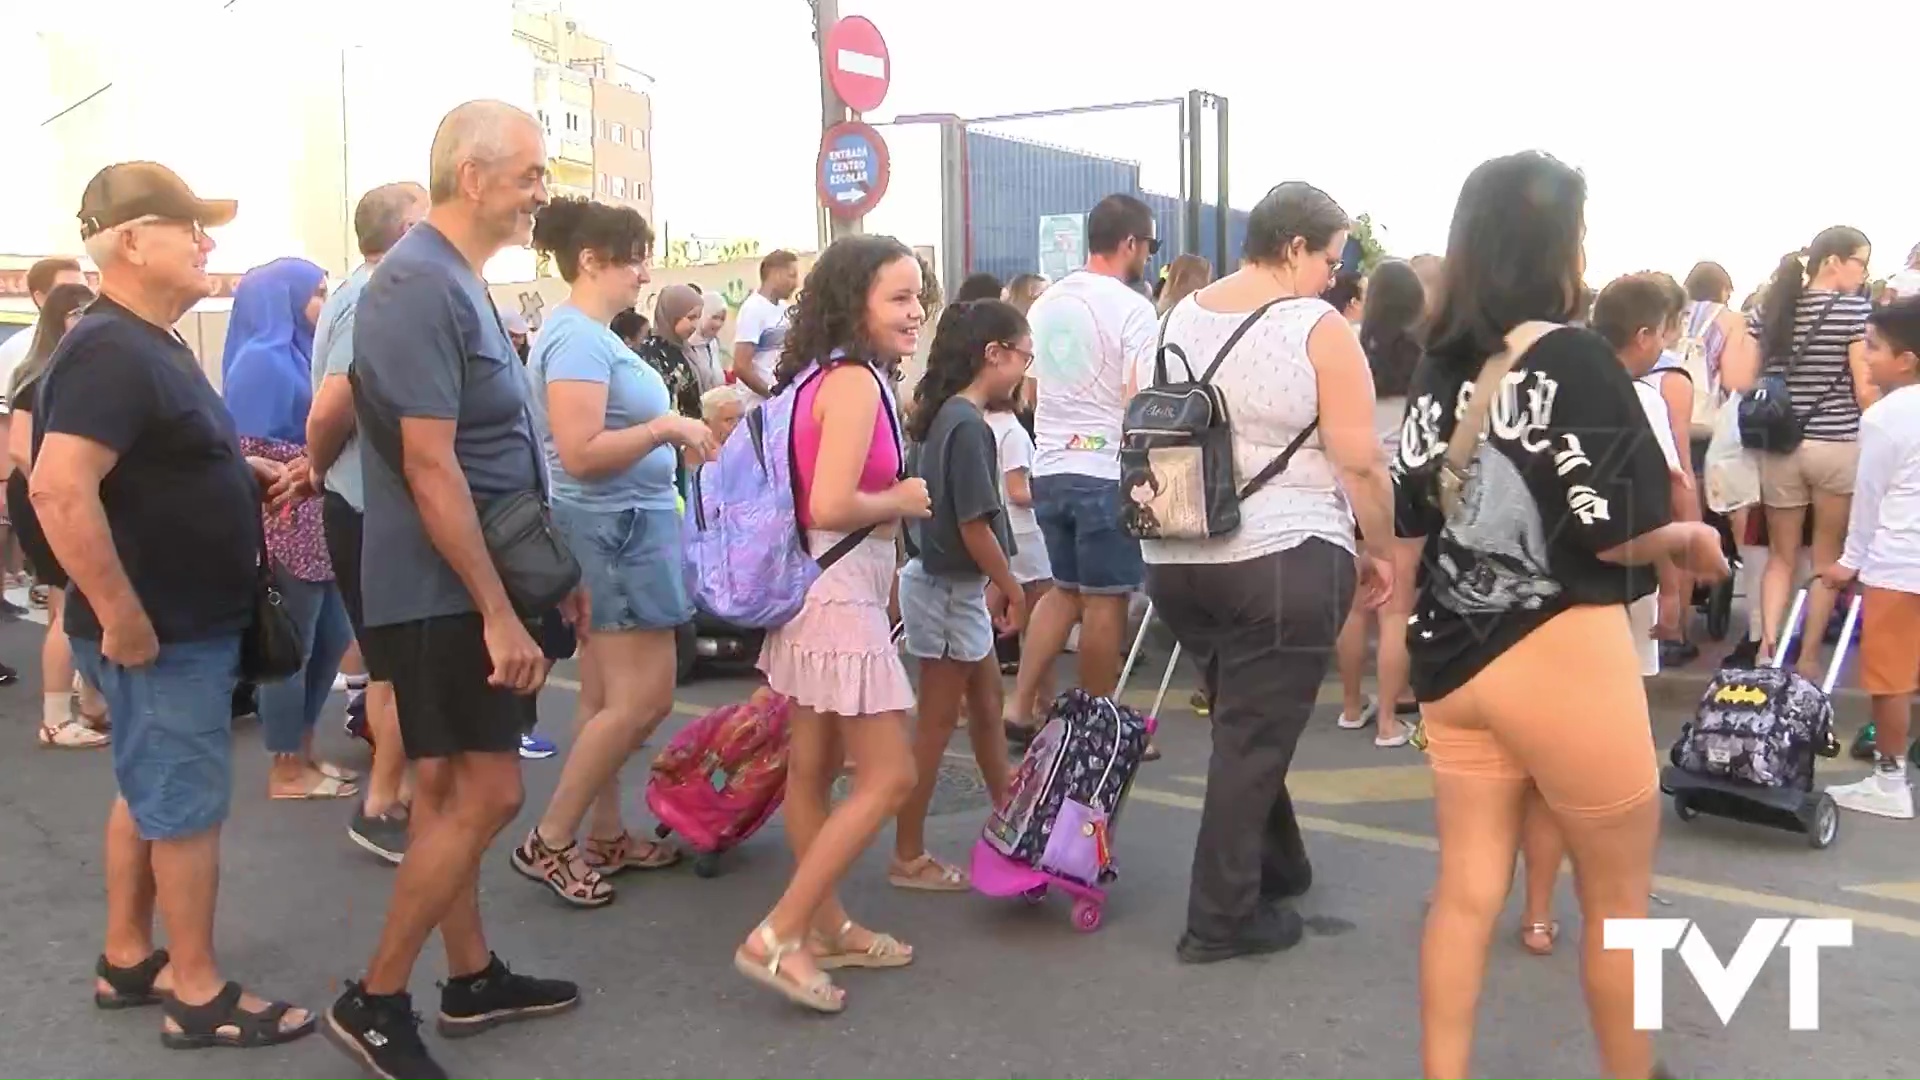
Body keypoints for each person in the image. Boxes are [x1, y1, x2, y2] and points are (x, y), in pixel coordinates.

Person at [1395, 152, 1726, 1080]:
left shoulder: (1437, 366)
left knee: (1464, 894)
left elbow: (1411, 509)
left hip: (1455, 660)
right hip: (1562, 656)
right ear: (1557, 247)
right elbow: (1616, 531)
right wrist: (1686, 541)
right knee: (1619, 900)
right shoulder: (1575, 357)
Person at [35, 161, 318, 1048]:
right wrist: (122, 614)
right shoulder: (112, 347)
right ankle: (195, 991)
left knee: (148, 793)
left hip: (170, 626)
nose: (207, 242)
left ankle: (128, 958)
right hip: (160, 633)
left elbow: (152, 460)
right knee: (186, 808)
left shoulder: (144, 341)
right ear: (128, 241)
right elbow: (58, 490)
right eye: (187, 225)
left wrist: (242, 473)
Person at [326, 101, 581, 1080]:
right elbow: (432, 468)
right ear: (472, 178)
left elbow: (497, 454)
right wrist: (498, 610)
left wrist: (545, 584)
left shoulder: (456, 282)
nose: (540, 193)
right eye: (529, 173)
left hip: (461, 584)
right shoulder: (414, 285)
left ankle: (469, 976)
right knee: (487, 789)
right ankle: (376, 996)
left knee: (445, 789)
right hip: (440, 591)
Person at [1136, 182, 1395, 963]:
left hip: (1177, 555)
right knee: (1252, 733)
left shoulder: (1178, 315)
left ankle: (1279, 865)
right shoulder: (1317, 328)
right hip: (1281, 556)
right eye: (1328, 258)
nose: (1332, 276)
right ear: (1293, 249)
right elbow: (1360, 459)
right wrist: (1378, 546)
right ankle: (1220, 919)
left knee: (1246, 717)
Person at [734, 235, 928, 1013]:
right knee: (890, 775)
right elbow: (833, 504)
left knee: (810, 771)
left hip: (816, 588)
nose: (916, 311)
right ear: (856, 304)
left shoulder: (825, 374)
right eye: (899, 298)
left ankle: (826, 925)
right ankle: (778, 935)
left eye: (919, 296)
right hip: (837, 590)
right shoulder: (852, 384)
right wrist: (905, 500)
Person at [515, 196, 716, 906]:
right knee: (642, 699)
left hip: (617, 526)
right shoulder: (577, 339)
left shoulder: (584, 334)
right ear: (591, 261)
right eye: (632, 258)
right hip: (618, 529)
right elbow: (581, 451)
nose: (643, 272)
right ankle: (553, 837)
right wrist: (668, 428)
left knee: (604, 697)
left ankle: (598, 832)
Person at [307, 180, 430, 862]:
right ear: (404, 232)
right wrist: (319, 468)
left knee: (398, 659)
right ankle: (383, 802)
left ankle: (397, 792)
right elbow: (331, 407)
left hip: (368, 501)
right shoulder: (371, 296)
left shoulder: (377, 290)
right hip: (364, 503)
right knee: (393, 662)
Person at [1007, 195, 1158, 746]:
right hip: (1102, 466)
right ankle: (1096, 726)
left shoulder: (1045, 304)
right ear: (1129, 244)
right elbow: (1138, 397)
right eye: (1149, 246)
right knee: (1105, 599)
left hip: (1049, 463)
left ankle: (1021, 704)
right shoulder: (1134, 308)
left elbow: (1029, 389)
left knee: (1062, 591)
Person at [892, 299, 1031, 891]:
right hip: (951, 586)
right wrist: (1012, 586)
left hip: (943, 582)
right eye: (1024, 356)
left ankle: (1012, 821)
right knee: (938, 723)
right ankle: (907, 855)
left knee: (986, 709)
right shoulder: (969, 424)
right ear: (993, 355)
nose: (1026, 370)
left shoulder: (938, 413)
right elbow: (975, 524)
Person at [222, 256, 362, 803]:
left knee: (330, 639)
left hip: (320, 511)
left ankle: (302, 748)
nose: (324, 303)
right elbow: (250, 450)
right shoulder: (262, 361)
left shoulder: (304, 353)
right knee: (291, 645)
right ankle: (284, 765)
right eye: (316, 292)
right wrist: (314, 463)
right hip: (288, 518)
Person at [1753, 228, 1876, 681]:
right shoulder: (1853, 310)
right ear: (1833, 262)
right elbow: (1864, 387)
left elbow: (1745, 374)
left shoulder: (1774, 306)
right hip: (1835, 444)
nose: (1864, 273)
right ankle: (1806, 658)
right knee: (1826, 558)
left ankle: (1768, 652)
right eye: (1861, 263)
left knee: (1781, 557)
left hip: (1780, 444)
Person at [1820, 296, 1920, 819]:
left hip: (1901, 561)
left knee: (1891, 678)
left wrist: (1848, 562)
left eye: (1875, 348)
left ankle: (1889, 780)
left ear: (1907, 360)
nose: (1866, 356)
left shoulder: (1885, 417)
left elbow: (1870, 498)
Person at [8, 281, 108, 748]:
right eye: (77, 314)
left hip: (63, 496)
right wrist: (60, 493)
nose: (86, 322)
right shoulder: (38, 377)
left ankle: (91, 704)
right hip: (45, 500)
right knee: (65, 606)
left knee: (86, 603)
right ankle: (54, 716)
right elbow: (22, 450)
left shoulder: (70, 372)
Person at [1334, 257, 1427, 743]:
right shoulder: (1424, 356)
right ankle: (1389, 720)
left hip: (1351, 483)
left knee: (1354, 605)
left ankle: (1351, 706)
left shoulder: (1347, 345)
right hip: (1405, 486)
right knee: (1396, 607)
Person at [1675, 261, 1766, 667]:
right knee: (1723, 511)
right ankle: (1718, 567)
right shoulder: (1730, 319)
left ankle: (1677, 608)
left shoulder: (1674, 313)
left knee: (1680, 511)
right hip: (1711, 428)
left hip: (1673, 420)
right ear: (1725, 289)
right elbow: (1735, 379)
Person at [0, 257, 86, 402]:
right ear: (40, 298)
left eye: (82, 289)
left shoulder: (98, 342)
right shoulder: (17, 351)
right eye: (66, 290)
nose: (78, 299)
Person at [730, 249, 800, 399]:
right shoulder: (753, 309)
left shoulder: (784, 309)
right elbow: (741, 366)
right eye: (791, 276)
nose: (796, 284)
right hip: (758, 403)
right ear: (775, 274)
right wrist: (770, 393)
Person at [635, 283, 705, 421]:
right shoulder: (653, 355)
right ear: (673, 315)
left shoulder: (683, 348)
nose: (695, 325)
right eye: (690, 317)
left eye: (698, 317)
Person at [684, 290, 730, 392]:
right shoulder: (687, 346)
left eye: (722, 319)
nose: (718, 324)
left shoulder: (713, 344)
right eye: (714, 317)